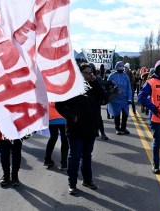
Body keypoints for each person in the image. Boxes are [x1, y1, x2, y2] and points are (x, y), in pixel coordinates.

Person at [55, 62, 105, 195]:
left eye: (90, 73)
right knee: (75, 157)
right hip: (76, 129)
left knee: (87, 157)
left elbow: (104, 98)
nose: (88, 75)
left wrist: (95, 83)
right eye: (86, 73)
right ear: (79, 73)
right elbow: (59, 105)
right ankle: (72, 184)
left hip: (91, 128)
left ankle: (87, 180)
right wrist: (72, 117)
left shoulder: (94, 86)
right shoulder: (71, 87)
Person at [107, 61, 132, 135]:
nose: (121, 69)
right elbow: (108, 86)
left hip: (124, 99)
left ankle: (123, 128)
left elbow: (128, 88)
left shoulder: (125, 76)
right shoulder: (112, 75)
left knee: (125, 114)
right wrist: (112, 91)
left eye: (122, 67)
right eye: (119, 67)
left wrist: (129, 98)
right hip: (115, 99)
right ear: (116, 67)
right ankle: (117, 128)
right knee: (116, 114)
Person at [43, 102, 68, 170]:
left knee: (53, 138)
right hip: (63, 119)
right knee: (64, 140)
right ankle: (64, 164)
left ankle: (47, 160)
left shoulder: (50, 94)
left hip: (52, 119)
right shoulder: (62, 94)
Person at [91, 63, 109, 140]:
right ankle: (94, 132)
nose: (89, 72)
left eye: (91, 70)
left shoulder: (96, 78)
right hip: (86, 101)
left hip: (96, 101)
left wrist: (110, 82)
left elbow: (103, 83)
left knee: (99, 117)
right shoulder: (82, 79)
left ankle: (102, 133)